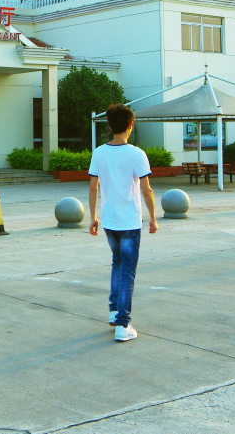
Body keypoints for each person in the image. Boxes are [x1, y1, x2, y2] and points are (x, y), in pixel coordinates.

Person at [88, 104, 158, 342]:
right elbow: (147, 190)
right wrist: (153, 217)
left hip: (109, 220)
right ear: (131, 124)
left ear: (109, 126)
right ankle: (123, 324)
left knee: (117, 264)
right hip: (130, 222)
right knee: (127, 271)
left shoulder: (99, 152)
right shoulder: (137, 154)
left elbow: (93, 187)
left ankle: (114, 310)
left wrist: (93, 217)